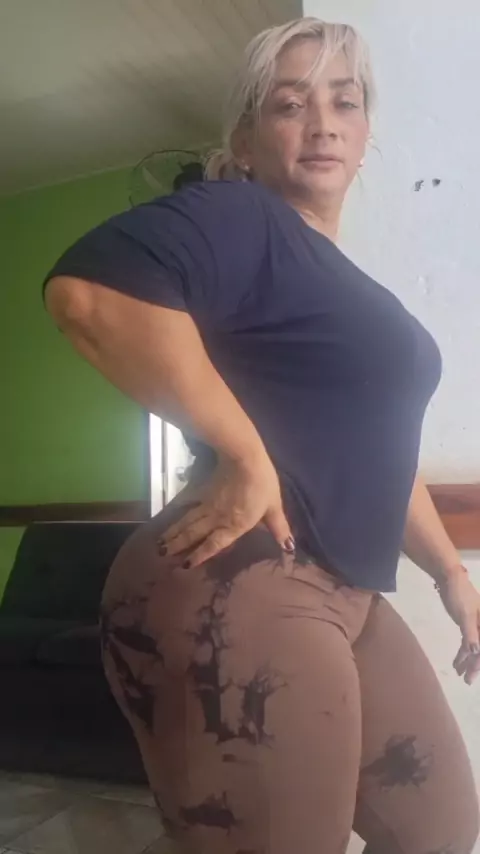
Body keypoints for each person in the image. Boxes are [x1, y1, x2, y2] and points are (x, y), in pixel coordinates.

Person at [43, 17, 480, 854]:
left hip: (346, 591)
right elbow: (89, 296)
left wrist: (449, 575)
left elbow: (380, 453)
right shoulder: (241, 217)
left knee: (438, 832)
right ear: (244, 143)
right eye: (290, 104)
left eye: (344, 102)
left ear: (366, 135)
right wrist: (244, 454)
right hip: (240, 576)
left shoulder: (341, 283)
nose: (322, 123)